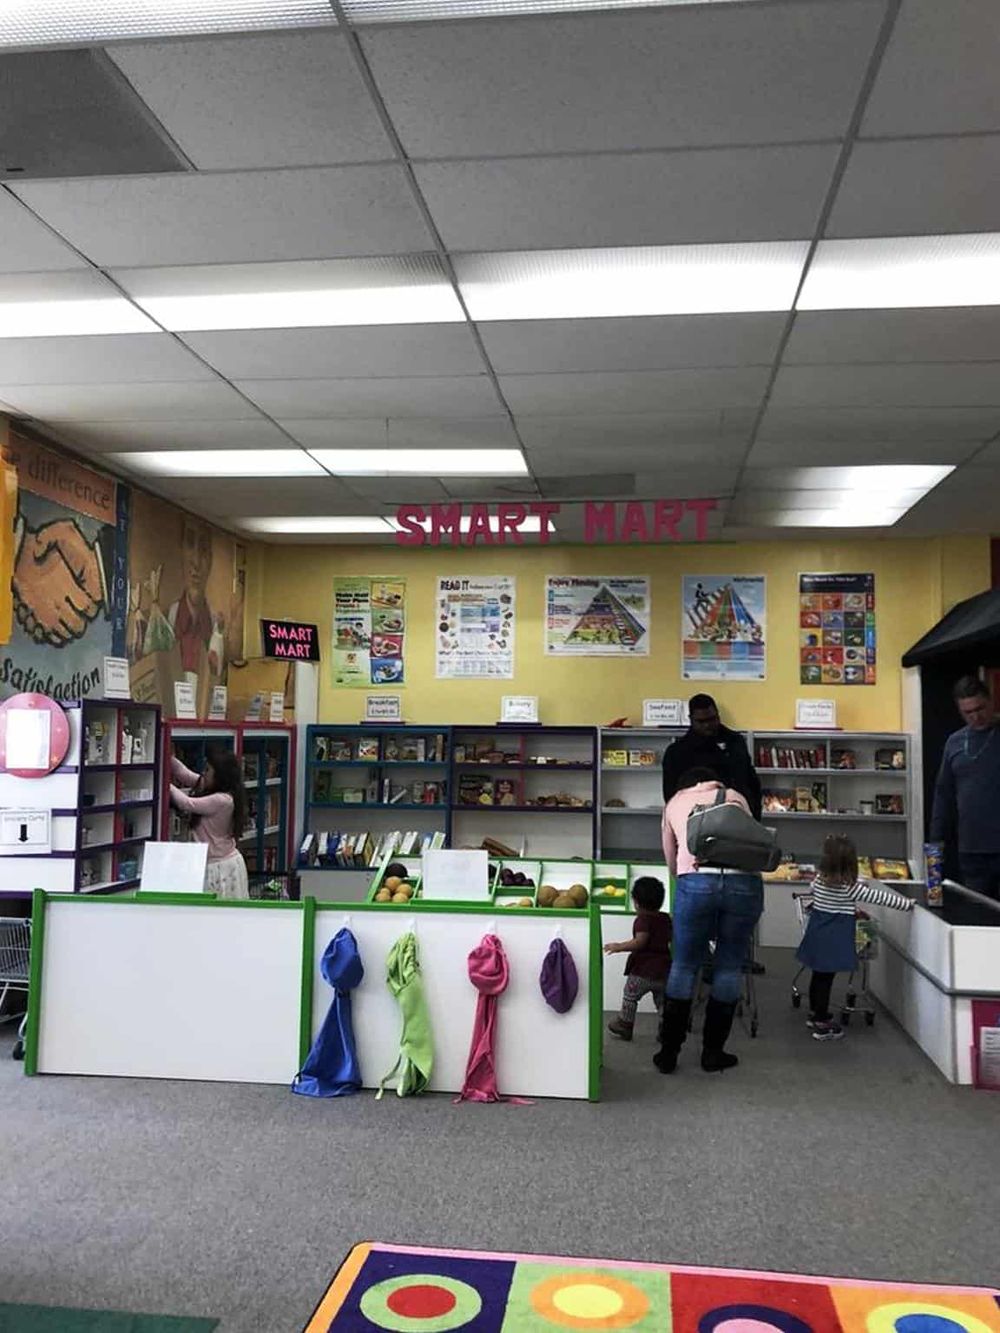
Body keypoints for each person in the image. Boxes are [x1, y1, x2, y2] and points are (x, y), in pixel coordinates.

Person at [655, 767, 763, 1074]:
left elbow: (670, 855)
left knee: (685, 964)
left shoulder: (674, 803)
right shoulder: (735, 797)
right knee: (729, 965)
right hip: (743, 884)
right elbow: (751, 841)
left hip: (696, 882)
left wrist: (686, 877)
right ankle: (713, 1053)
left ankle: (669, 1053)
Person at [798, 834, 913, 1041]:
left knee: (818, 976)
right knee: (827, 978)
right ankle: (822, 1023)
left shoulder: (818, 880)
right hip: (834, 938)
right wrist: (908, 904)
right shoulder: (850, 887)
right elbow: (881, 897)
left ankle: (815, 1013)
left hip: (817, 933)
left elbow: (816, 895)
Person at [930, 675, 1000, 900]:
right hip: (971, 849)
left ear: (990, 702)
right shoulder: (955, 742)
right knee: (977, 918)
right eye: (968, 712)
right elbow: (943, 795)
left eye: (980, 708)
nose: (976, 716)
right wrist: (935, 844)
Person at [662, 694, 761, 819]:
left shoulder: (735, 741)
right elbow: (671, 795)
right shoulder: (677, 752)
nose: (707, 725)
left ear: (718, 716)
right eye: (701, 721)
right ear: (691, 719)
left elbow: (751, 781)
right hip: (698, 821)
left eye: (712, 719)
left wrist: (755, 814)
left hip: (740, 815)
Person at [169, 749, 249, 899]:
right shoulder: (212, 788)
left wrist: (163, 783)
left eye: (207, 770)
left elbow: (187, 803)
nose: (203, 773)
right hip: (211, 863)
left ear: (220, 775)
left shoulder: (223, 800)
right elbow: (183, 773)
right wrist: (168, 757)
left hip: (220, 868)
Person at [604, 876, 672, 1042]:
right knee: (662, 1001)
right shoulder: (665, 918)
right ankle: (667, 1028)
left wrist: (618, 946)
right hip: (664, 970)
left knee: (630, 995)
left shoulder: (642, 920)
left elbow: (640, 942)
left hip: (643, 971)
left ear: (636, 902)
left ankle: (625, 1024)